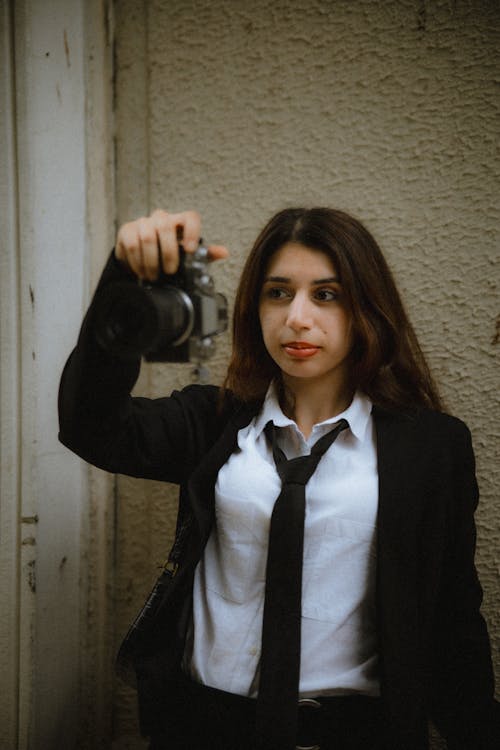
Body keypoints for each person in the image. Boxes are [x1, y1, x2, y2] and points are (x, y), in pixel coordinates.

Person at [58, 208, 499, 750]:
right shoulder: (216, 420)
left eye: (327, 295)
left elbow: (453, 617)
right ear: (253, 305)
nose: (297, 317)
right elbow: (90, 426)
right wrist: (125, 282)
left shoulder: (429, 447)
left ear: (366, 306)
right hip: (201, 729)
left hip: (352, 734)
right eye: (278, 293)